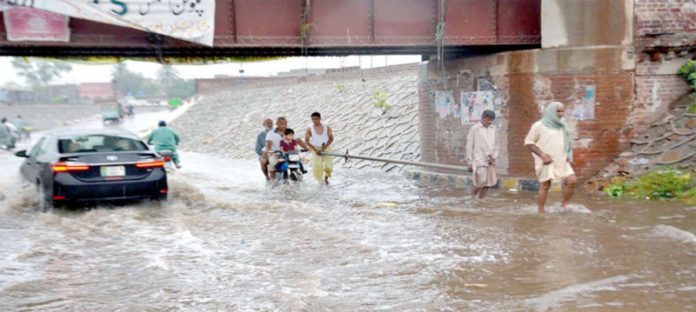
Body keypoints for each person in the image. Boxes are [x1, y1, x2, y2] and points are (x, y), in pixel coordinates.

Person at [524, 101, 576, 213]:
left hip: (562, 159)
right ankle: (540, 211)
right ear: (551, 111)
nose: (561, 114)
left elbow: (567, 142)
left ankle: (564, 206)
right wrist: (542, 155)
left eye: (562, 111)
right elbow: (529, 142)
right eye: (558, 111)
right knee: (545, 185)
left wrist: (568, 154)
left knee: (572, 180)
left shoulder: (562, 125)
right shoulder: (539, 125)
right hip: (546, 160)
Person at [466, 110, 499, 199]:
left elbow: (496, 144)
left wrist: (494, 156)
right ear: (483, 118)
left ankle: (481, 201)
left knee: (488, 183)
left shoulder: (493, 128)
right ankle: (472, 198)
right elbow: (469, 146)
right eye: (488, 120)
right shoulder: (475, 129)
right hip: (479, 159)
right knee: (481, 181)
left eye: (491, 120)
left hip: (491, 160)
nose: (490, 122)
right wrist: (469, 162)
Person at [305, 112, 334, 185]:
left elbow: (331, 139)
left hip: (326, 147)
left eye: (316, 119)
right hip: (315, 148)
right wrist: (315, 150)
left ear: (320, 119)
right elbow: (306, 141)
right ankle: (320, 182)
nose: (314, 120)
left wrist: (324, 147)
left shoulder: (326, 127)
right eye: (313, 119)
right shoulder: (309, 128)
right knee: (318, 166)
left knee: (329, 166)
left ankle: (326, 177)